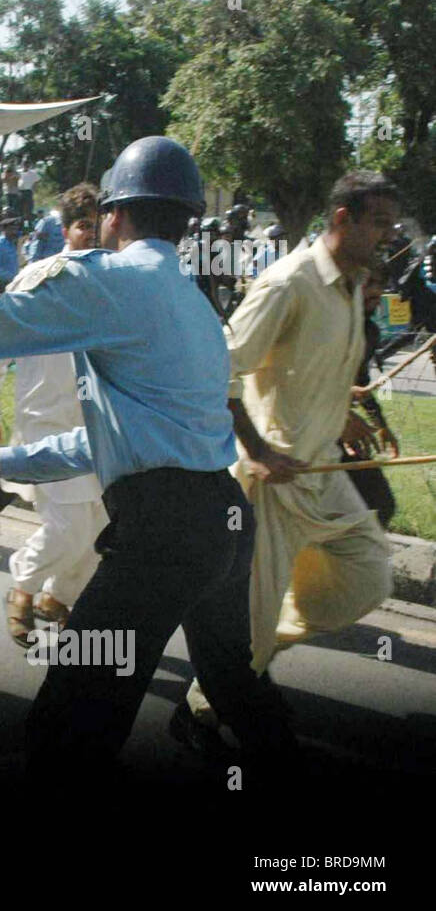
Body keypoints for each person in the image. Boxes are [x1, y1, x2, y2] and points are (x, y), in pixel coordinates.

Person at [0, 136, 300, 783]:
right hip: (223, 526)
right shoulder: (199, 308)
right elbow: (116, 442)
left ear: (115, 214)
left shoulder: (109, 279)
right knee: (234, 684)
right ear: (185, 218)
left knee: (71, 716)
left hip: (164, 534)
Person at [179, 171, 400, 745]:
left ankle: (240, 661)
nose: (388, 234)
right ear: (342, 219)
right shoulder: (287, 283)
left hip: (322, 471)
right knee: (251, 624)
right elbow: (219, 367)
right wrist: (256, 450)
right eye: (378, 222)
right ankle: (206, 705)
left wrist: (338, 408)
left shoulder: (352, 285)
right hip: (270, 482)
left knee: (368, 577)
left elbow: (314, 366)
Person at [0, 182, 108, 648]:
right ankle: (21, 588)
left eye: (100, 227)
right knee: (68, 527)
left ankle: (57, 599)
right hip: (44, 425)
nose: (92, 236)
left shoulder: (112, 282)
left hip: (96, 430)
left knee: (100, 527)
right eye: (84, 227)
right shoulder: (37, 279)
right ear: (64, 230)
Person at [343, 261, 398, 528]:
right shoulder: (329, 326)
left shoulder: (369, 332)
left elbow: (361, 384)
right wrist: (339, 416)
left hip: (344, 435)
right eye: (368, 284)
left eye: (380, 284)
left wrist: (382, 425)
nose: (375, 292)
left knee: (380, 505)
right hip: (305, 433)